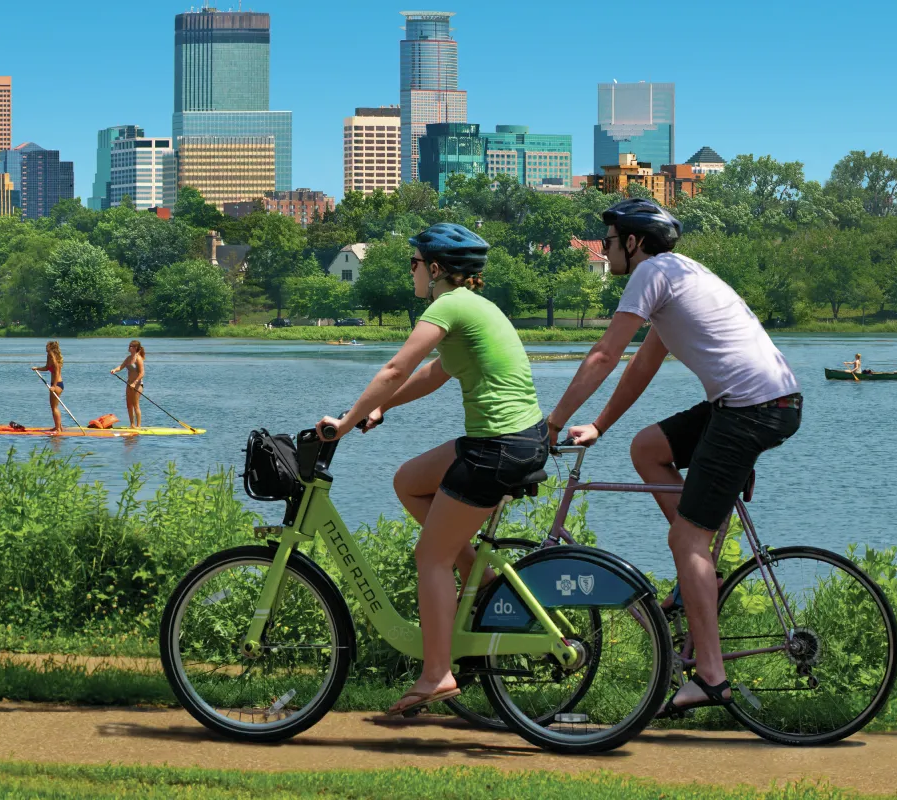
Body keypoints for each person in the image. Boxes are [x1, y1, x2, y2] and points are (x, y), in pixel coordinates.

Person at [544, 199, 802, 717]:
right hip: (758, 404)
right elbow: (642, 365)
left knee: (685, 537)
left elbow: (605, 353)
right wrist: (597, 425)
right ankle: (697, 575)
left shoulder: (651, 273)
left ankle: (710, 678)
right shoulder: (680, 276)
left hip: (750, 410)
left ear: (634, 244)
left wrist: (551, 423)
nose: (607, 249)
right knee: (649, 449)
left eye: (611, 241)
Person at [316, 223, 549, 717]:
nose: (411, 271)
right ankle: (478, 574)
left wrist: (345, 421)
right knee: (409, 481)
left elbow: (396, 369)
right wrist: (382, 410)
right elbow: (434, 373)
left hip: (498, 447)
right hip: (509, 440)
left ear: (437, 268)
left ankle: (437, 672)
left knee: (430, 558)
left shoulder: (447, 305)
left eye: (415, 263)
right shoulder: (474, 307)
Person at [112, 340, 146, 428]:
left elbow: (142, 373)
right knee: (129, 405)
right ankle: (132, 424)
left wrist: (135, 383)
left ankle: (138, 426)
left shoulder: (138, 359)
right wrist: (115, 370)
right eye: (129, 346)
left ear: (135, 348)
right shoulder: (128, 358)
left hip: (137, 384)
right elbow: (121, 366)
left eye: (131, 346)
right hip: (129, 384)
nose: (129, 347)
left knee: (135, 404)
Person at [32, 341, 65, 433]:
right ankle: (58, 427)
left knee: (54, 407)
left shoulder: (53, 356)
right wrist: (37, 368)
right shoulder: (49, 356)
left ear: (50, 347)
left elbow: (57, 371)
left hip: (57, 384)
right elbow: (47, 368)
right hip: (54, 384)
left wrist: (54, 386)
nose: (45, 347)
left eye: (47, 346)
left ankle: (58, 429)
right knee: (53, 406)